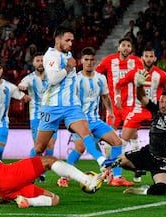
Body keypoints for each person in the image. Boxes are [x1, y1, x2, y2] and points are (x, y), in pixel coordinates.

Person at [0, 118, 107, 208]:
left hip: (2, 189)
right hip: (3, 174)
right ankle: (87, 180)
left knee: (54, 199)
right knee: (49, 161)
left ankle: (22, 199)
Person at [31, 26, 114, 175]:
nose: (70, 43)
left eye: (72, 40)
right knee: (39, 148)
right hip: (52, 107)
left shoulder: (68, 54)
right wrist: (69, 67)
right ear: (57, 40)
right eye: (67, 40)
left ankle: (101, 161)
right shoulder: (51, 56)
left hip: (71, 106)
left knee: (85, 132)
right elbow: (53, 79)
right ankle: (26, 173)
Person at [115, 46, 166, 183]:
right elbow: (119, 85)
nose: (149, 59)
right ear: (142, 58)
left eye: (151, 56)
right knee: (124, 139)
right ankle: (116, 174)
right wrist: (118, 97)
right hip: (139, 108)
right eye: (146, 56)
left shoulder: (161, 75)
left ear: (155, 58)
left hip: (158, 109)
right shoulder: (134, 73)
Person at [57, 47, 126, 187]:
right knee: (80, 148)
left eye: (91, 60)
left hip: (95, 120)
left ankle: (116, 177)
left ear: (95, 61)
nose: (89, 62)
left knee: (117, 142)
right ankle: (64, 177)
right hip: (79, 120)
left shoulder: (101, 78)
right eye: (86, 59)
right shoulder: (75, 79)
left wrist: (111, 112)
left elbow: (105, 97)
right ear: (81, 61)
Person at [118, 82, 166, 195]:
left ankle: (142, 190)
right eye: (162, 102)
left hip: (164, 162)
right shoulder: (155, 111)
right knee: (120, 161)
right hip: (148, 153)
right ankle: (140, 169)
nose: (163, 105)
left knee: (161, 188)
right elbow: (141, 97)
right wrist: (139, 85)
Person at [95, 37, 143, 186]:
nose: (126, 48)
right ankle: (111, 170)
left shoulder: (137, 61)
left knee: (133, 135)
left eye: (128, 46)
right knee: (111, 138)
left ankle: (136, 168)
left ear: (131, 49)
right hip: (114, 107)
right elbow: (95, 74)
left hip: (131, 105)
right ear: (119, 47)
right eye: (123, 45)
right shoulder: (109, 60)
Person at [18, 52, 57, 182]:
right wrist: (21, 87)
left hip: (51, 115)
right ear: (33, 63)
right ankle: (30, 170)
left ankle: (42, 173)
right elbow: (21, 84)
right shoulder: (29, 78)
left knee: (51, 145)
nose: (40, 63)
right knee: (39, 147)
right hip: (36, 116)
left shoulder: (53, 77)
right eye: (38, 61)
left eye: (42, 60)